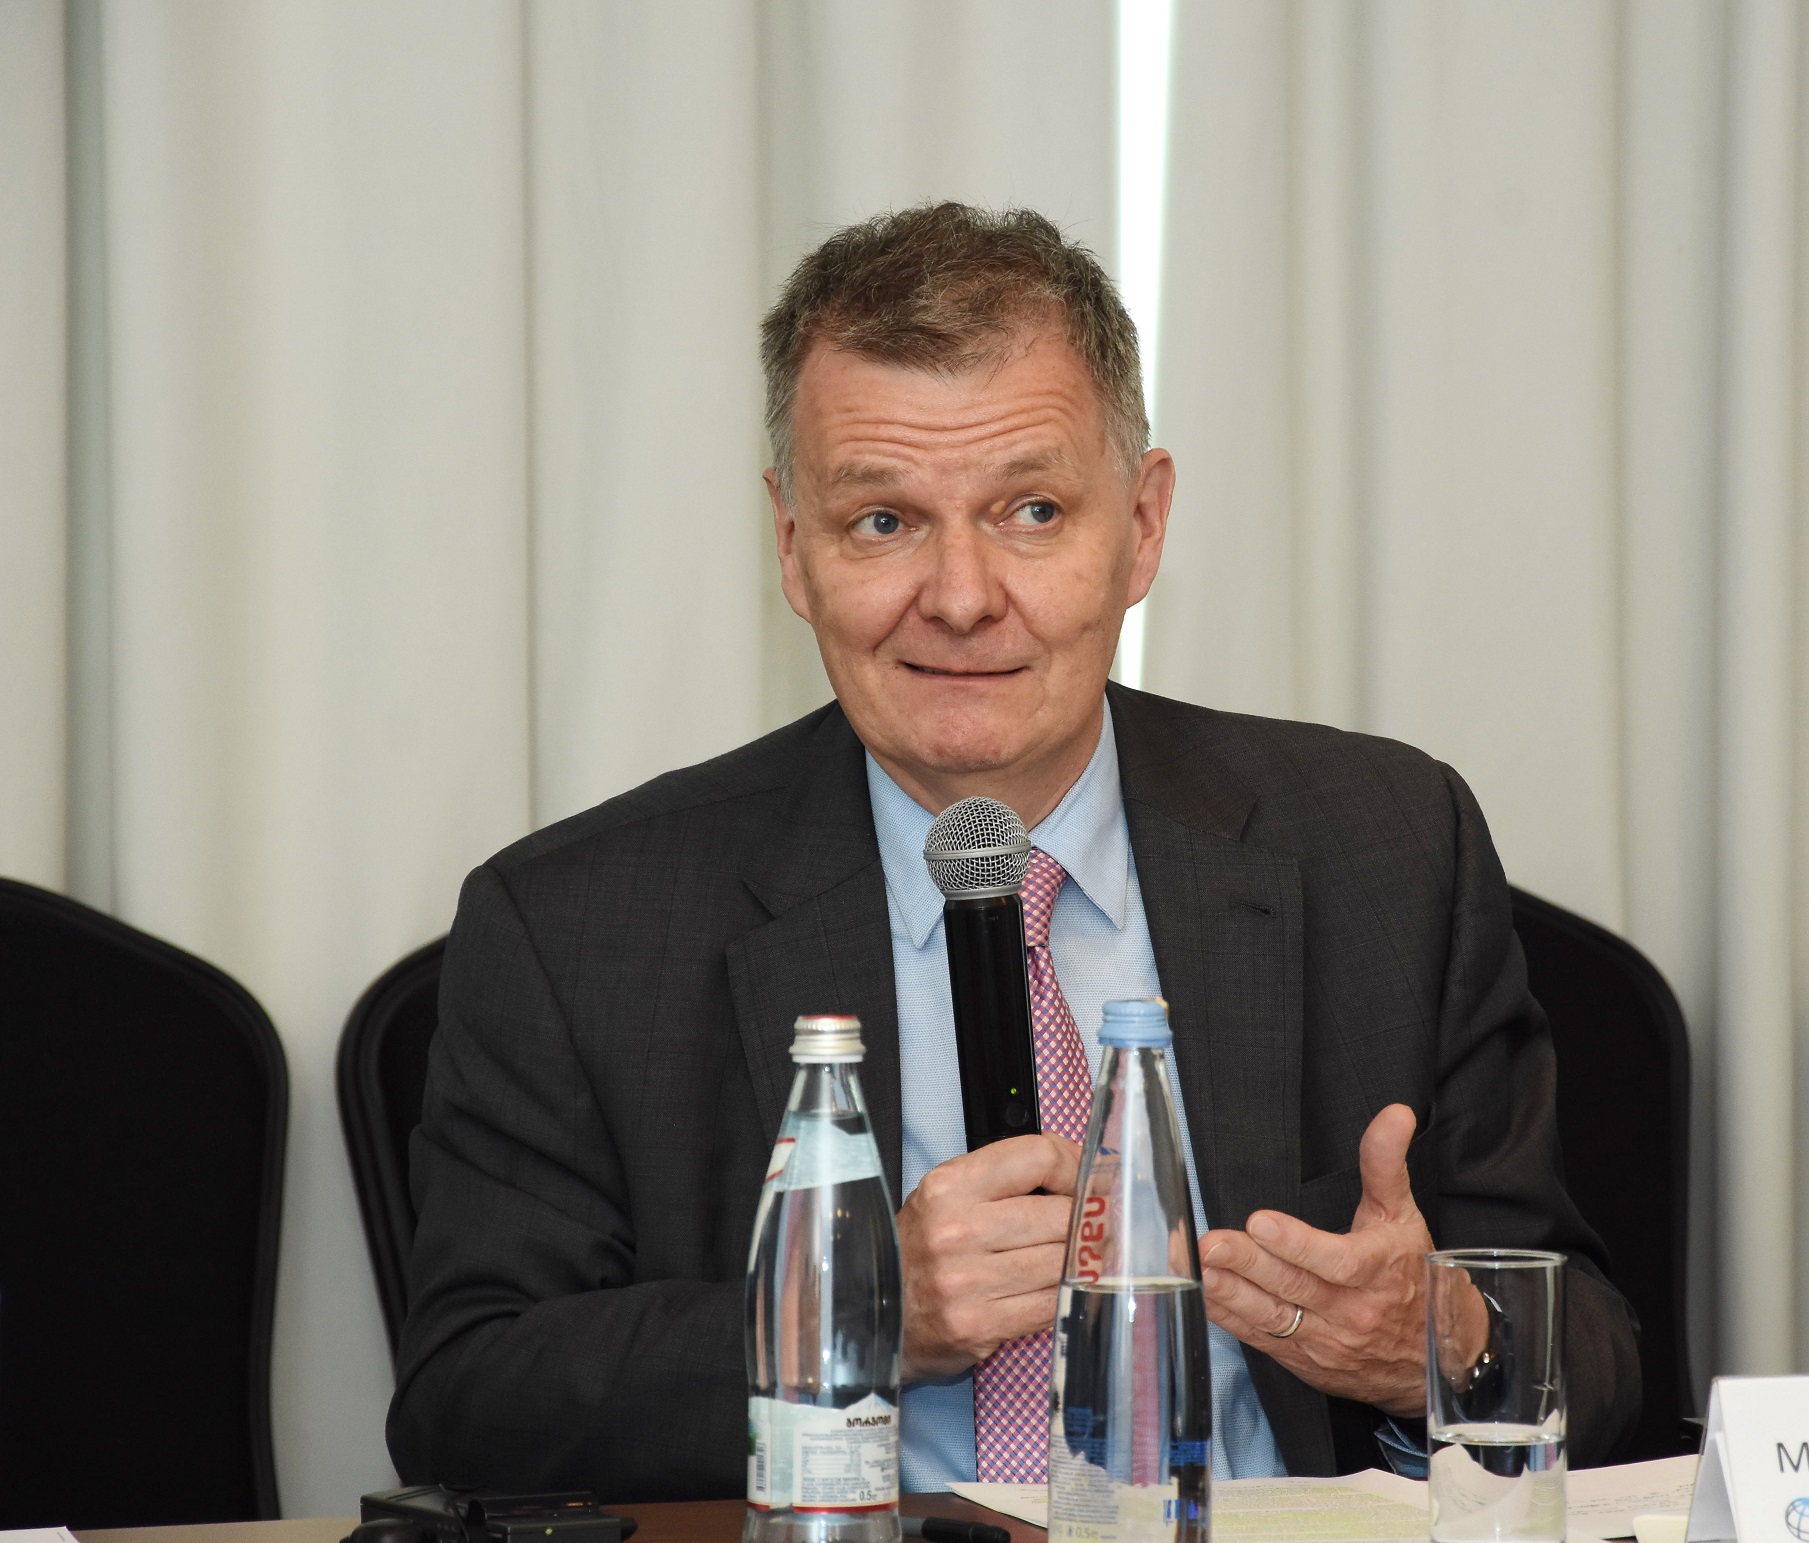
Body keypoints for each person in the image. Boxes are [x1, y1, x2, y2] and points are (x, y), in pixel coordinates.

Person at [387, 202, 1640, 1497]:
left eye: (1030, 510)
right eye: (883, 521)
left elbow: (1596, 1354)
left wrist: (1440, 1342)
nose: (962, 596)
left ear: (1142, 525)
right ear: (793, 549)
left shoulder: (1383, 847)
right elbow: (467, 1400)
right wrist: (855, 1314)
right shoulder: (577, 925)